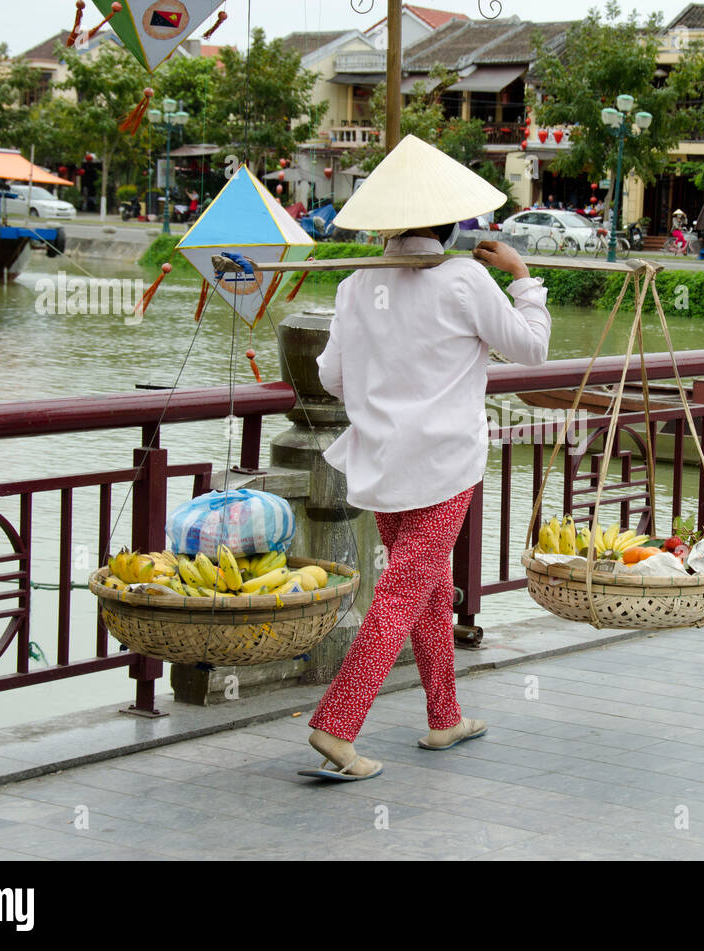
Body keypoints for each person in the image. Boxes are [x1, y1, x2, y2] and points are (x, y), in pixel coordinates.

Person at [305, 134, 552, 781]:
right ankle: (337, 724)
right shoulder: (467, 278)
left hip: (383, 463)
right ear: (451, 223)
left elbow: (331, 376)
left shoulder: (359, 285)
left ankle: (445, 714)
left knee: (427, 585)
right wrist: (524, 279)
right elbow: (531, 348)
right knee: (403, 590)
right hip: (443, 465)